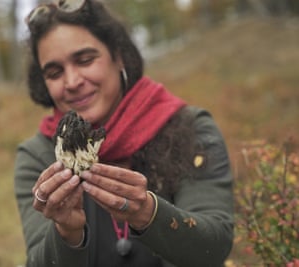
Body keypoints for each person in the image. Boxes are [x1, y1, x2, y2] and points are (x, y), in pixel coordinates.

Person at [14, 0, 234, 266]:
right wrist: (66, 233)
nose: (72, 82)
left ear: (118, 56)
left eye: (85, 60)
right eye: (54, 72)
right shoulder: (38, 155)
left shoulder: (189, 129)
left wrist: (149, 214)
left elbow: (214, 246)